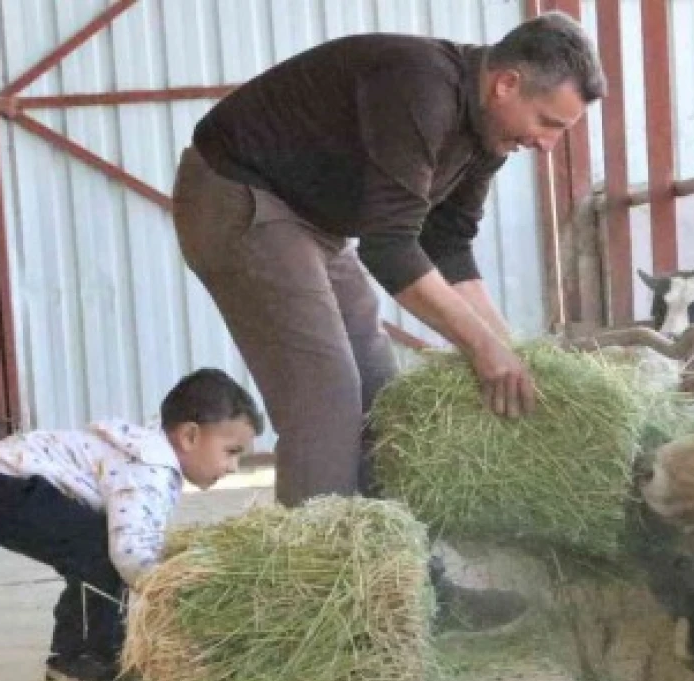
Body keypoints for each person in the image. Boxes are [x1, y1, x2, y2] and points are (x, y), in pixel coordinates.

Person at [171, 12, 606, 508]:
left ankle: (392, 549)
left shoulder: (489, 134)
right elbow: (389, 247)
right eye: (548, 123)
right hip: (239, 194)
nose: (548, 144)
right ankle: (321, 568)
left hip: (316, 225)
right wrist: (483, 349)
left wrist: (512, 352)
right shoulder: (421, 84)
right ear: (507, 84)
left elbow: (447, 244)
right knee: (328, 395)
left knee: (382, 392)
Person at [0, 368, 263, 681]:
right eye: (231, 451)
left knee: (97, 552)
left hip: (2, 486)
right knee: (101, 556)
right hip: (8, 490)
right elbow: (131, 551)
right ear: (190, 436)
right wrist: (170, 587)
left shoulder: (148, 457)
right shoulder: (149, 467)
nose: (234, 467)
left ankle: (99, 655)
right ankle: (77, 664)